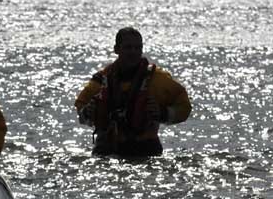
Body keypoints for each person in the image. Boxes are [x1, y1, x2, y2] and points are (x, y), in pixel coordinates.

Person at [75, 27, 192, 157]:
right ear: (116, 49)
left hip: (145, 150)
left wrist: (163, 113)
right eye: (128, 47)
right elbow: (80, 106)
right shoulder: (101, 80)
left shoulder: (157, 79)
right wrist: (87, 112)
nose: (133, 52)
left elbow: (184, 106)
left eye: (137, 48)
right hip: (106, 150)